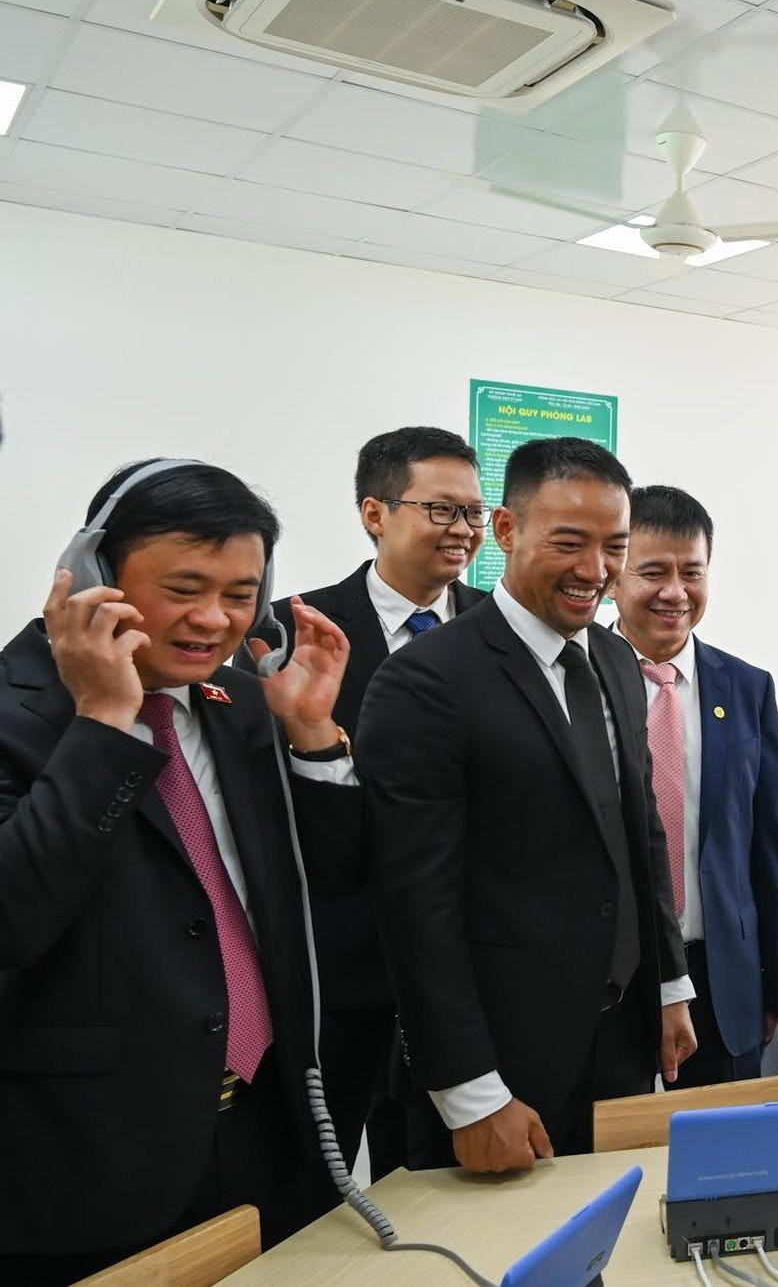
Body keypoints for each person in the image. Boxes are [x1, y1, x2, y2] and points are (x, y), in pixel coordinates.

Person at [0, 460, 362, 1284]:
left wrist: (312, 738)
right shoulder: (17, 709)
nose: (214, 619)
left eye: (240, 594)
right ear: (95, 578)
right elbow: (13, 917)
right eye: (186, 587)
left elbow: (334, 884)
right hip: (89, 1167)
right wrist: (102, 720)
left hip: (265, 1135)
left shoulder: (238, 706)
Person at [360, 437, 696, 1173]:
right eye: (568, 543)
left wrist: (669, 986)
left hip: (619, 1038)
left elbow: (639, 833)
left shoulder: (612, 659)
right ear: (506, 532)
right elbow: (415, 906)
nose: (595, 571)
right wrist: (470, 1090)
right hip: (502, 1060)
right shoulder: (426, 681)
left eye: (613, 546)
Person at [264, 425, 487, 1180]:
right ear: (375, 512)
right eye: (442, 510)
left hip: (473, 968)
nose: (463, 531)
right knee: (315, 1183)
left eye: (475, 514)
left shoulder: (503, 632)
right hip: (345, 963)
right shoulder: (297, 631)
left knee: (451, 1184)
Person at [610, 484, 778, 1086]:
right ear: (613, 574)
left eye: (692, 572)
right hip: (614, 981)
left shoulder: (746, 688)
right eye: (653, 572)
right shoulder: (576, 678)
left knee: (726, 1167)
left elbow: (770, 852)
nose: (676, 591)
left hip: (727, 982)